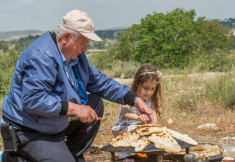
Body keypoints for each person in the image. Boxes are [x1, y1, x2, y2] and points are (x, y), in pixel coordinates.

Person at [0, 10, 154, 162]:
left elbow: (99, 82)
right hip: (30, 129)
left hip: (52, 122)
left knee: (95, 104)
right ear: (66, 36)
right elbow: (34, 100)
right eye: (83, 44)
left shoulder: (76, 56)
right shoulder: (41, 56)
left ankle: (72, 156)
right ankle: (12, 157)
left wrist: (134, 99)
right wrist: (75, 108)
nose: (85, 49)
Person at [112, 65, 162, 160]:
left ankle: (145, 156)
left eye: (152, 89)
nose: (149, 92)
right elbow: (125, 112)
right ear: (137, 84)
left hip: (141, 130)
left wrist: (153, 124)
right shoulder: (129, 96)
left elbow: (153, 113)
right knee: (133, 137)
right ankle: (128, 158)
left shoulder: (151, 99)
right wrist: (138, 118)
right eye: (146, 88)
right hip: (124, 129)